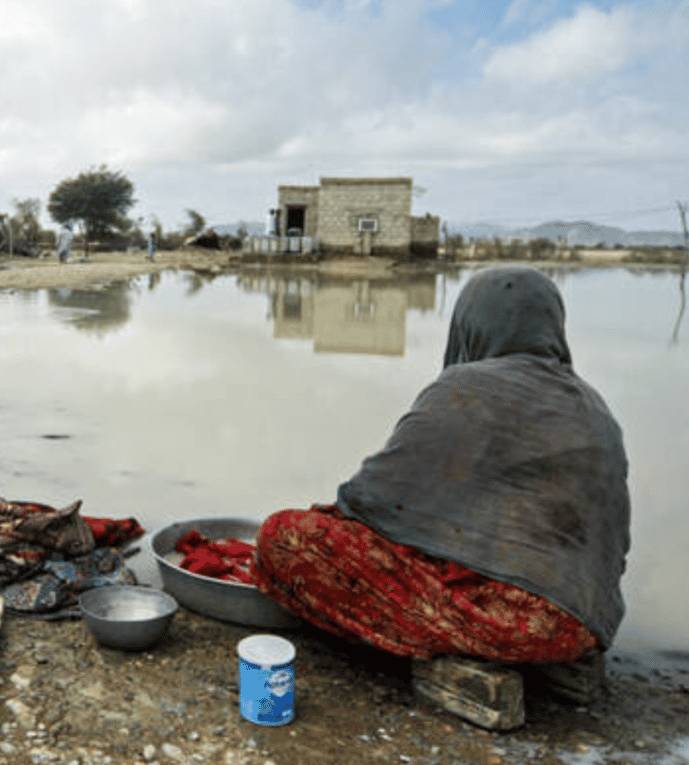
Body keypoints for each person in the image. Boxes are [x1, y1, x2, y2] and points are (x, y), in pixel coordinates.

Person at [255, 266, 630, 666]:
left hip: (513, 625)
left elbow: (370, 502)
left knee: (284, 537)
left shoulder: (466, 389)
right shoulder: (597, 409)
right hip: (582, 628)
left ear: (470, 323)